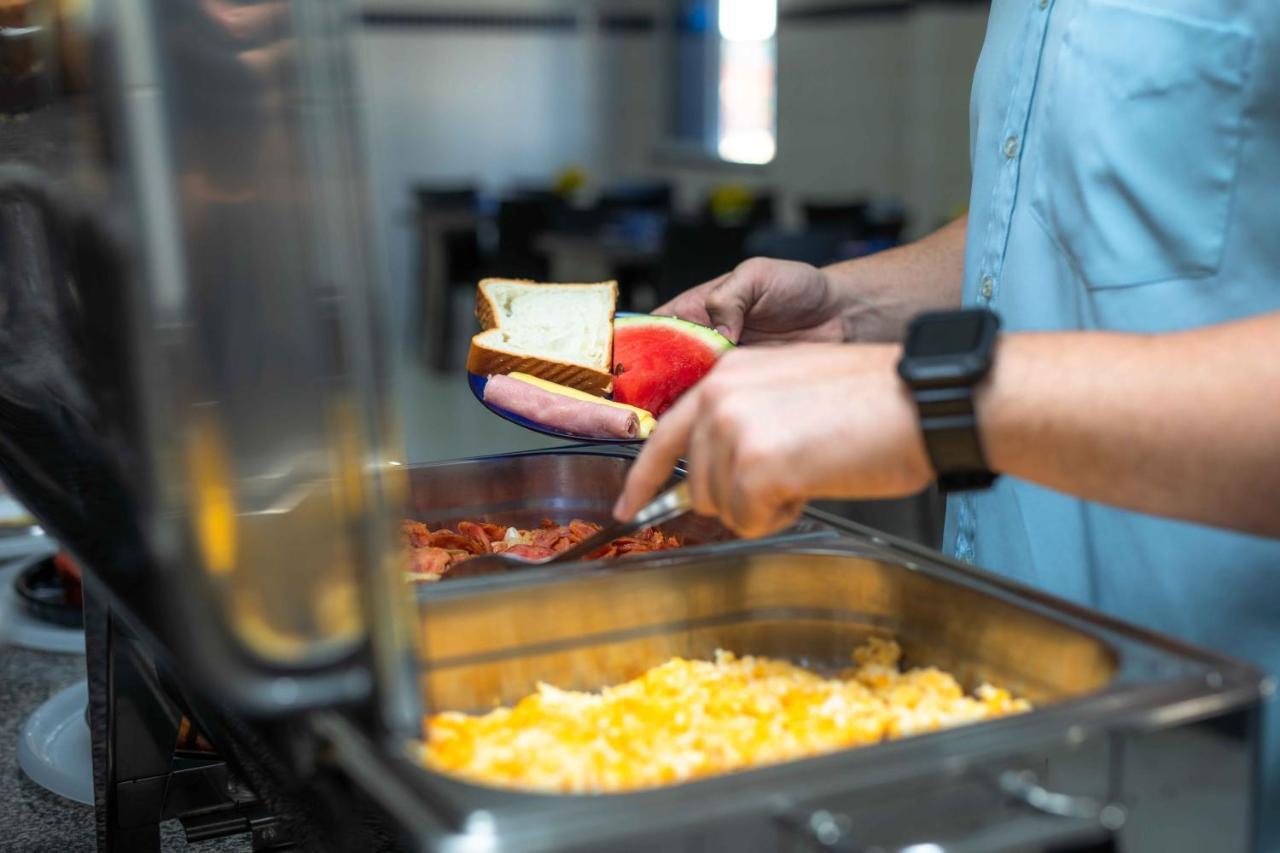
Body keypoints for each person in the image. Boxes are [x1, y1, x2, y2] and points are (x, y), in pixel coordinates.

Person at [614, 1, 1280, 847]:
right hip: (1022, 692)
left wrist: (943, 400)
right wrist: (853, 309)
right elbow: (1049, 223)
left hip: (1224, 734)